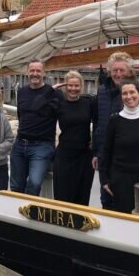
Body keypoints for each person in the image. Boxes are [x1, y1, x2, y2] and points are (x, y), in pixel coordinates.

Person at [92, 51, 139, 209]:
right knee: (107, 198)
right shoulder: (102, 91)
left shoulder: (138, 93)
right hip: (107, 156)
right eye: (114, 70)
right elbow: (97, 122)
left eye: (122, 70)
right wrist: (96, 152)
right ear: (109, 72)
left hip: (131, 159)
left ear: (130, 72)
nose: (118, 74)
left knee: (132, 202)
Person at [10, 59, 63, 196]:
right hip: (20, 144)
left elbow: (63, 117)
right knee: (16, 185)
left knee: (34, 183)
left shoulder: (54, 93)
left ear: (43, 73)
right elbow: (21, 116)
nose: (35, 74)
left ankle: (28, 211)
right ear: (28, 72)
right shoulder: (21, 92)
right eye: (32, 70)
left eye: (38, 71)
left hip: (42, 146)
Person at [52, 71, 96, 205]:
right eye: (70, 85)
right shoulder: (58, 104)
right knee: (63, 195)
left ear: (81, 86)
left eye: (76, 85)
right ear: (65, 86)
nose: (73, 89)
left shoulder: (88, 103)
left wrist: (95, 140)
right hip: (64, 154)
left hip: (84, 155)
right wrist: (51, 91)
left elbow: (100, 122)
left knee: (82, 196)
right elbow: (39, 110)